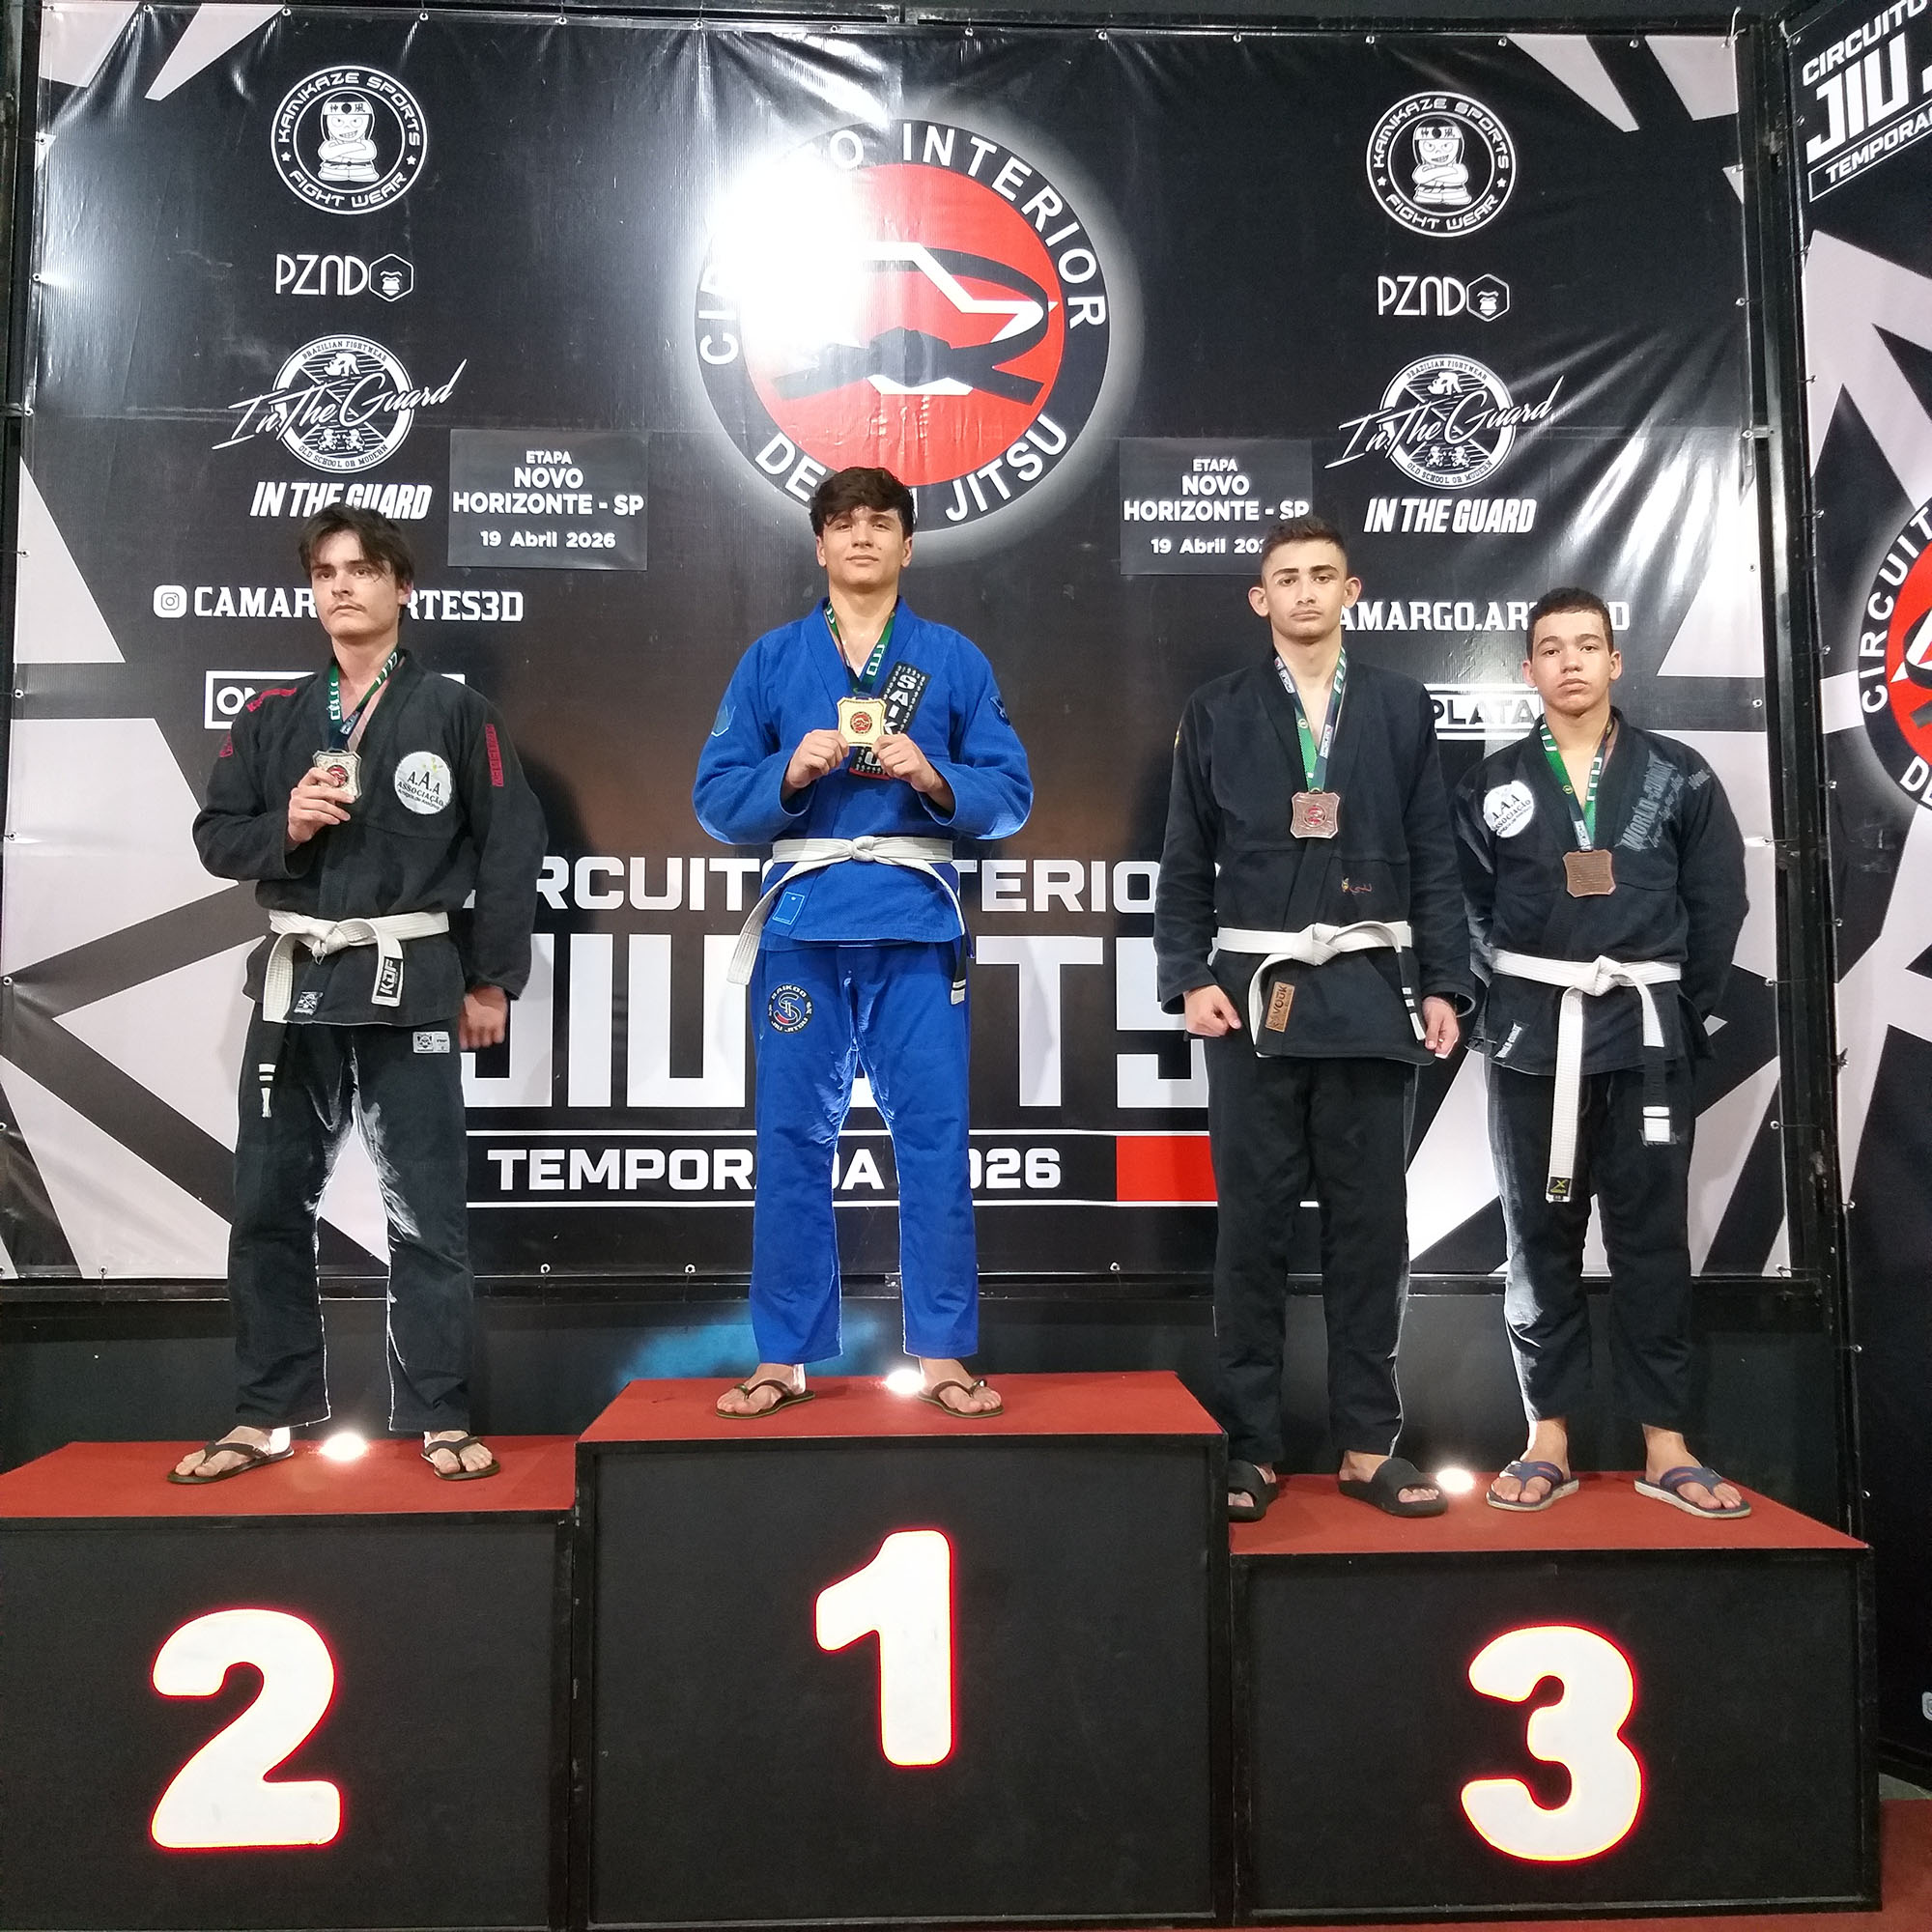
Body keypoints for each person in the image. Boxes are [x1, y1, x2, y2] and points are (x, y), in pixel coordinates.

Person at [171, 506, 546, 1484]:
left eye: (363, 569)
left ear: (401, 587)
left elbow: (511, 848)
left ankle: (438, 1413)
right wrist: (287, 826)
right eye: (325, 572)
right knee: (265, 1205)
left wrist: (493, 978)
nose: (341, 586)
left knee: (425, 1212)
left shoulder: (457, 713)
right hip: (297, 980)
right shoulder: (270, 715)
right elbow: (216, 838)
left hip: (410, 977)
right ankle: (267, 1413)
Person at [696, 468, 1031, 1420]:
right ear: (819, 546)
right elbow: (715, 800)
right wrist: (787, 772)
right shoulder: (771, 660)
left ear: (907, 545)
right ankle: (784, 1357)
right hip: (804, 926)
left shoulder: (950, 658)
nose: (860, 537)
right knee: (789, 1140)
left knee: (933, 1138)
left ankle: (944, 1354)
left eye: (881, 523)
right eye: (841, 523)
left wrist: (934, 776)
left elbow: (1010, 793)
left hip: (915, 926)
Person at [1155, 515, 1470, 1520]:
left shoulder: (1399, 705)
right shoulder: (1215, 709)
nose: (1303, 591)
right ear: (1260, 599)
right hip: (1253, 997)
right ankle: (1249, 1447)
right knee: (1250, 1232)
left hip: (1371, 994)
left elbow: (1432, 852)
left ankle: (1368, 1445)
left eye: (1320, 575)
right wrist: (1186, 974)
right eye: (1285, 578)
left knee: (1370, 1232)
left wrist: (1444, 982)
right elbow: (1182, 858)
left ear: (1350, 591)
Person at [1453, 588, 1750, 1519]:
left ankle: (1667, 1444)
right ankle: (1548, 1435)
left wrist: (1680, 1006)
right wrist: (1508, 1004)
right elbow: (1464, 909)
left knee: (1652, 1239)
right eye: (1551, 648)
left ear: (1616, 661)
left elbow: (1719, 901)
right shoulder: (1492, 787)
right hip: (1533, 1038)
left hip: (1648, 1037)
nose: (1571, 661)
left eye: (1588, 645)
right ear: (1529, 669)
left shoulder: (1679, 776)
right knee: (1537, 1239)